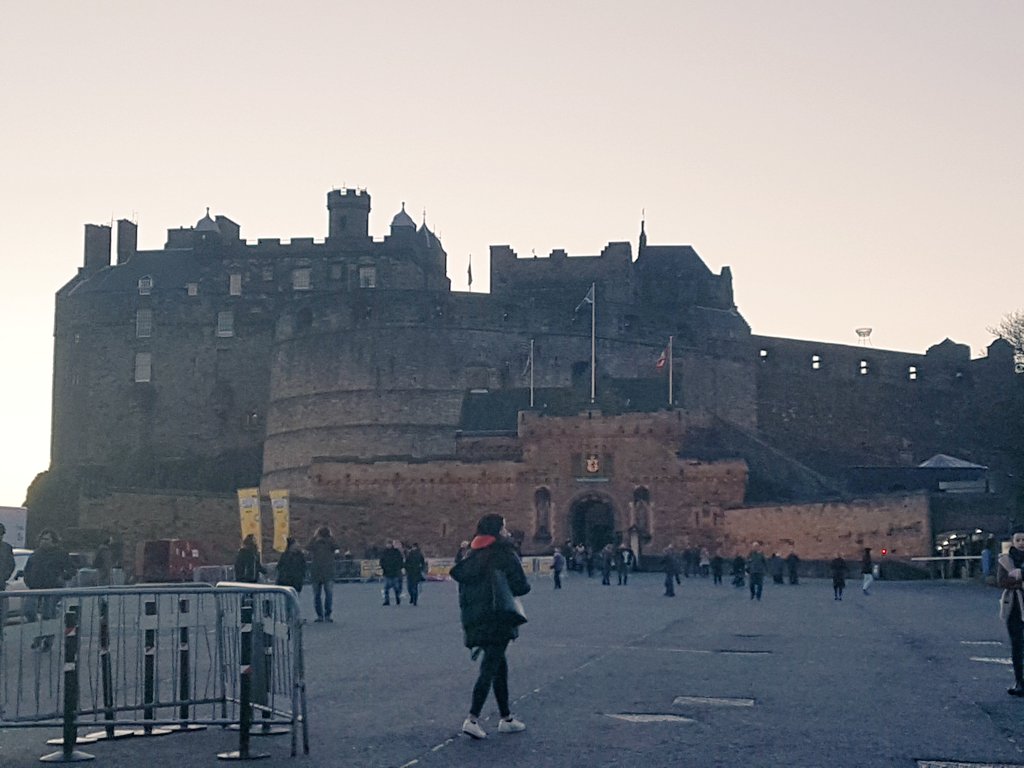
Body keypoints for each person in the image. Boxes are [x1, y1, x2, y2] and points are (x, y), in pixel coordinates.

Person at [450, 513, 530, 739]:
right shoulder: (504, 553)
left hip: (476, 619)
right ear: (497, 530)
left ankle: (506, 718)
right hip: (498, 617)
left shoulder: (472, 554)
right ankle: (472, 718)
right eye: (504, 528)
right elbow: (521, 586)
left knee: (498, 666)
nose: (506, 531)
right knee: (490, 667)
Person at [24, 529, 75, 651]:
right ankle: (38, 634)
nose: (43, 542)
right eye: (42, 539)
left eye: (46, 539)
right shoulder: (36, 554)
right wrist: (28, 580)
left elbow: (72, 570)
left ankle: (48, 640)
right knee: (29, 610)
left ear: (53, 541)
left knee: (48, 614)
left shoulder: (61, 554)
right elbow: (27, 569)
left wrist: (62, 578)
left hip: (52, 588)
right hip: (35, 588)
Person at [999, 531, 1024, 696]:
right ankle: (1020, 682)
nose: (1022, 542)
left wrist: (1019, 575)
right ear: (1013, 542)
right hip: (1014, 607)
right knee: (1017, 645)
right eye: (1018, 540)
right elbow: (1002, 581)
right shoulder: (1005, 560)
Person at [307, 526, 339, 623]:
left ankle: (320, 615)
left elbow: (307, 547)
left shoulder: (315, 542)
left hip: (316, 572)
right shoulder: (331, 542)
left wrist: (314, 537)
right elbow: (337, 548)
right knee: (329, 594)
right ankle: (327, 614)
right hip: (328, 572)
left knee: (317, 595)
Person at [380, 540, 405, 606]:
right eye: (387, 544)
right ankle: (387, 600)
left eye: (389, 544)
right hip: (387, 573)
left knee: (396, 587)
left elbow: (400, 561)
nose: (388, 545)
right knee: (386, 588)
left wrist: (398, 568)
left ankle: (397, 598)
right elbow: (381, 561)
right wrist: (383, 567)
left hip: (394, 573)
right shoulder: (384, 552)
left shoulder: (396, 552)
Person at [0, 522, 15, 627]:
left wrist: (5, 577)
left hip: (1, 586)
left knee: (1, 615)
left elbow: (11, 564)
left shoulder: (6, 547)